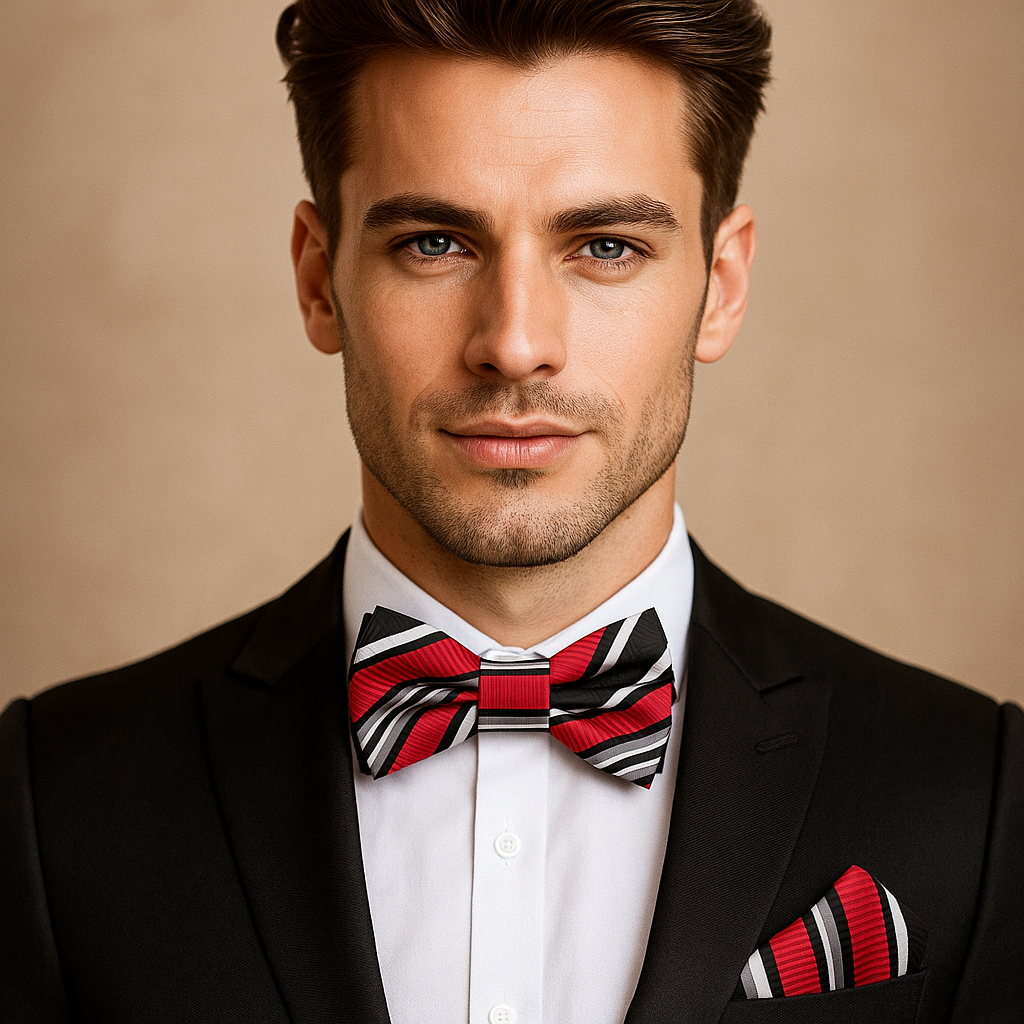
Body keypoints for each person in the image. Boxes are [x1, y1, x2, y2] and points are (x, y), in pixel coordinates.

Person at [1, 1, 1020, 1021]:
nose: (516, 341)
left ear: (719, 285)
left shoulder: (973, 796)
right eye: (436, 242)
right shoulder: (55, 804)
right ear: (320, 280)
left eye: (607, 246)